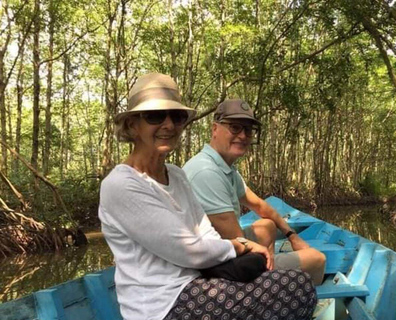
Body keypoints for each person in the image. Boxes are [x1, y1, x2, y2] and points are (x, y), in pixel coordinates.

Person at [98, 74, 317, 320]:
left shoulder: (177, 176)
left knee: (292, 284)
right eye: (155, 116)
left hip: (198, 283)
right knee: (296, 287)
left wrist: (252, 245)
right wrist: (241, 245)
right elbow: (188, 250)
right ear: (132, 125)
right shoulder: (121, 185)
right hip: (162, 307)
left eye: (177, 117)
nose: (169, 125)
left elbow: (205, 232)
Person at [183, 99, 326, 285]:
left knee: (267, 225)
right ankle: (279, 291)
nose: (243, 135)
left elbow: (260, 206)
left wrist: (292, 236)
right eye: (235, 127)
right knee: (316, 259)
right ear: (214, 129)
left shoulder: (224, 168)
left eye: (248, 130)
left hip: (225, 250)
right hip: (215, 267)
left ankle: (268, 280)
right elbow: (239, 241)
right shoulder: (206, 172)